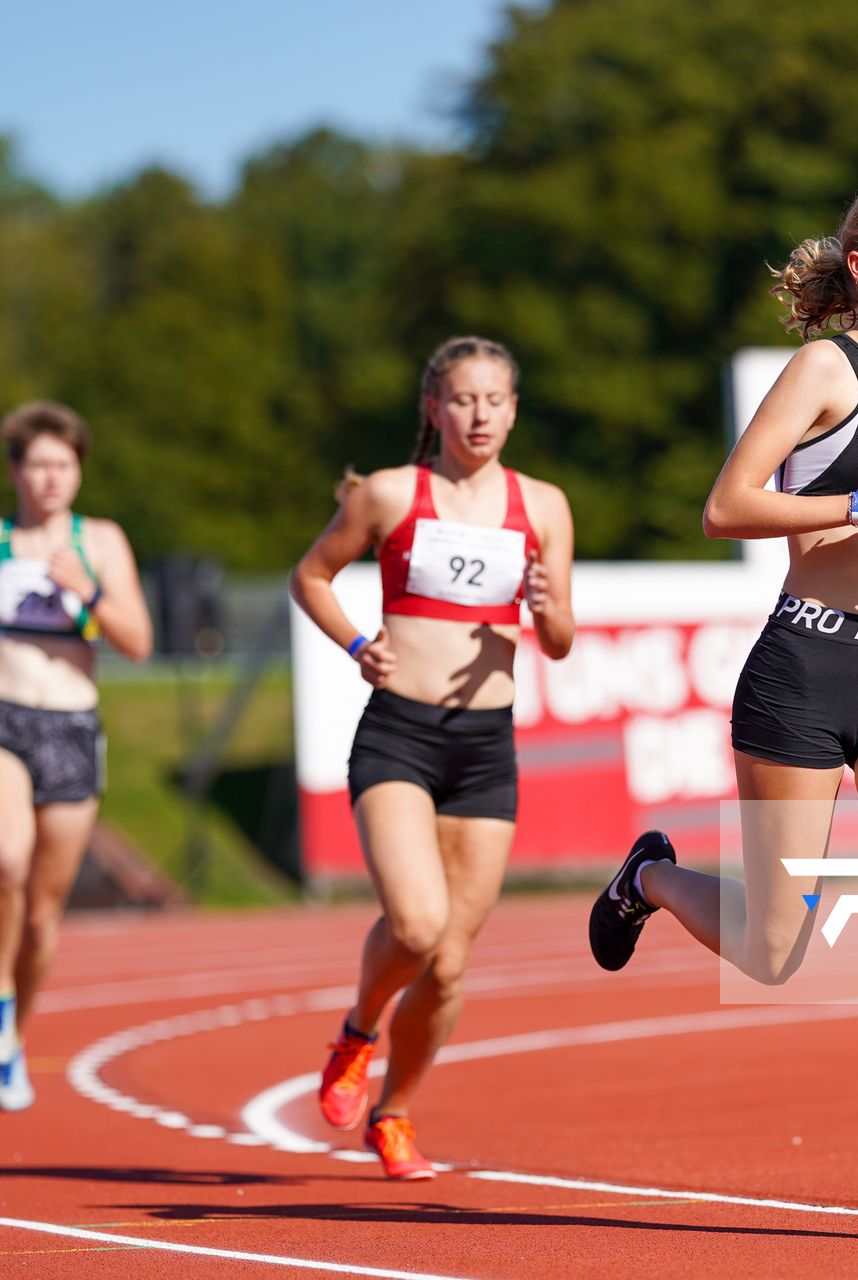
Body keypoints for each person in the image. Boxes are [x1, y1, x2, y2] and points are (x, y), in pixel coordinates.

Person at [588, 179, 858, 1241]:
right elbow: (728, 503)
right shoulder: (825, 368)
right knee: (780, 948)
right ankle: (647, 876)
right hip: (804, 670)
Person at [291, 335, 575, 1180]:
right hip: (400, 735)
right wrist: (355, 644)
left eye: (495, 400)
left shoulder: (545, 506)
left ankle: (397, 1111)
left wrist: (547, 605)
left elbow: (558, 641)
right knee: (414, 926)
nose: (479, 414)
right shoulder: (389, 495)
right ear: (434, 409)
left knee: (449, 966)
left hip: (486, 747)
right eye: (462, 399)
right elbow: (311, 575)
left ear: (514, 409)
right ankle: (356, 1032)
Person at [0, 401, 153, 1111]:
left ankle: (13, 1036)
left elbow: (138, 641)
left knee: (44, 916)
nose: (51, 478)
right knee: (7, 857)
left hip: (73, 728)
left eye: (64, 465)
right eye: (38, 464)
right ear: (15, 470)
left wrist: (90, 590)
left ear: (79, 472)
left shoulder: (102, 542)